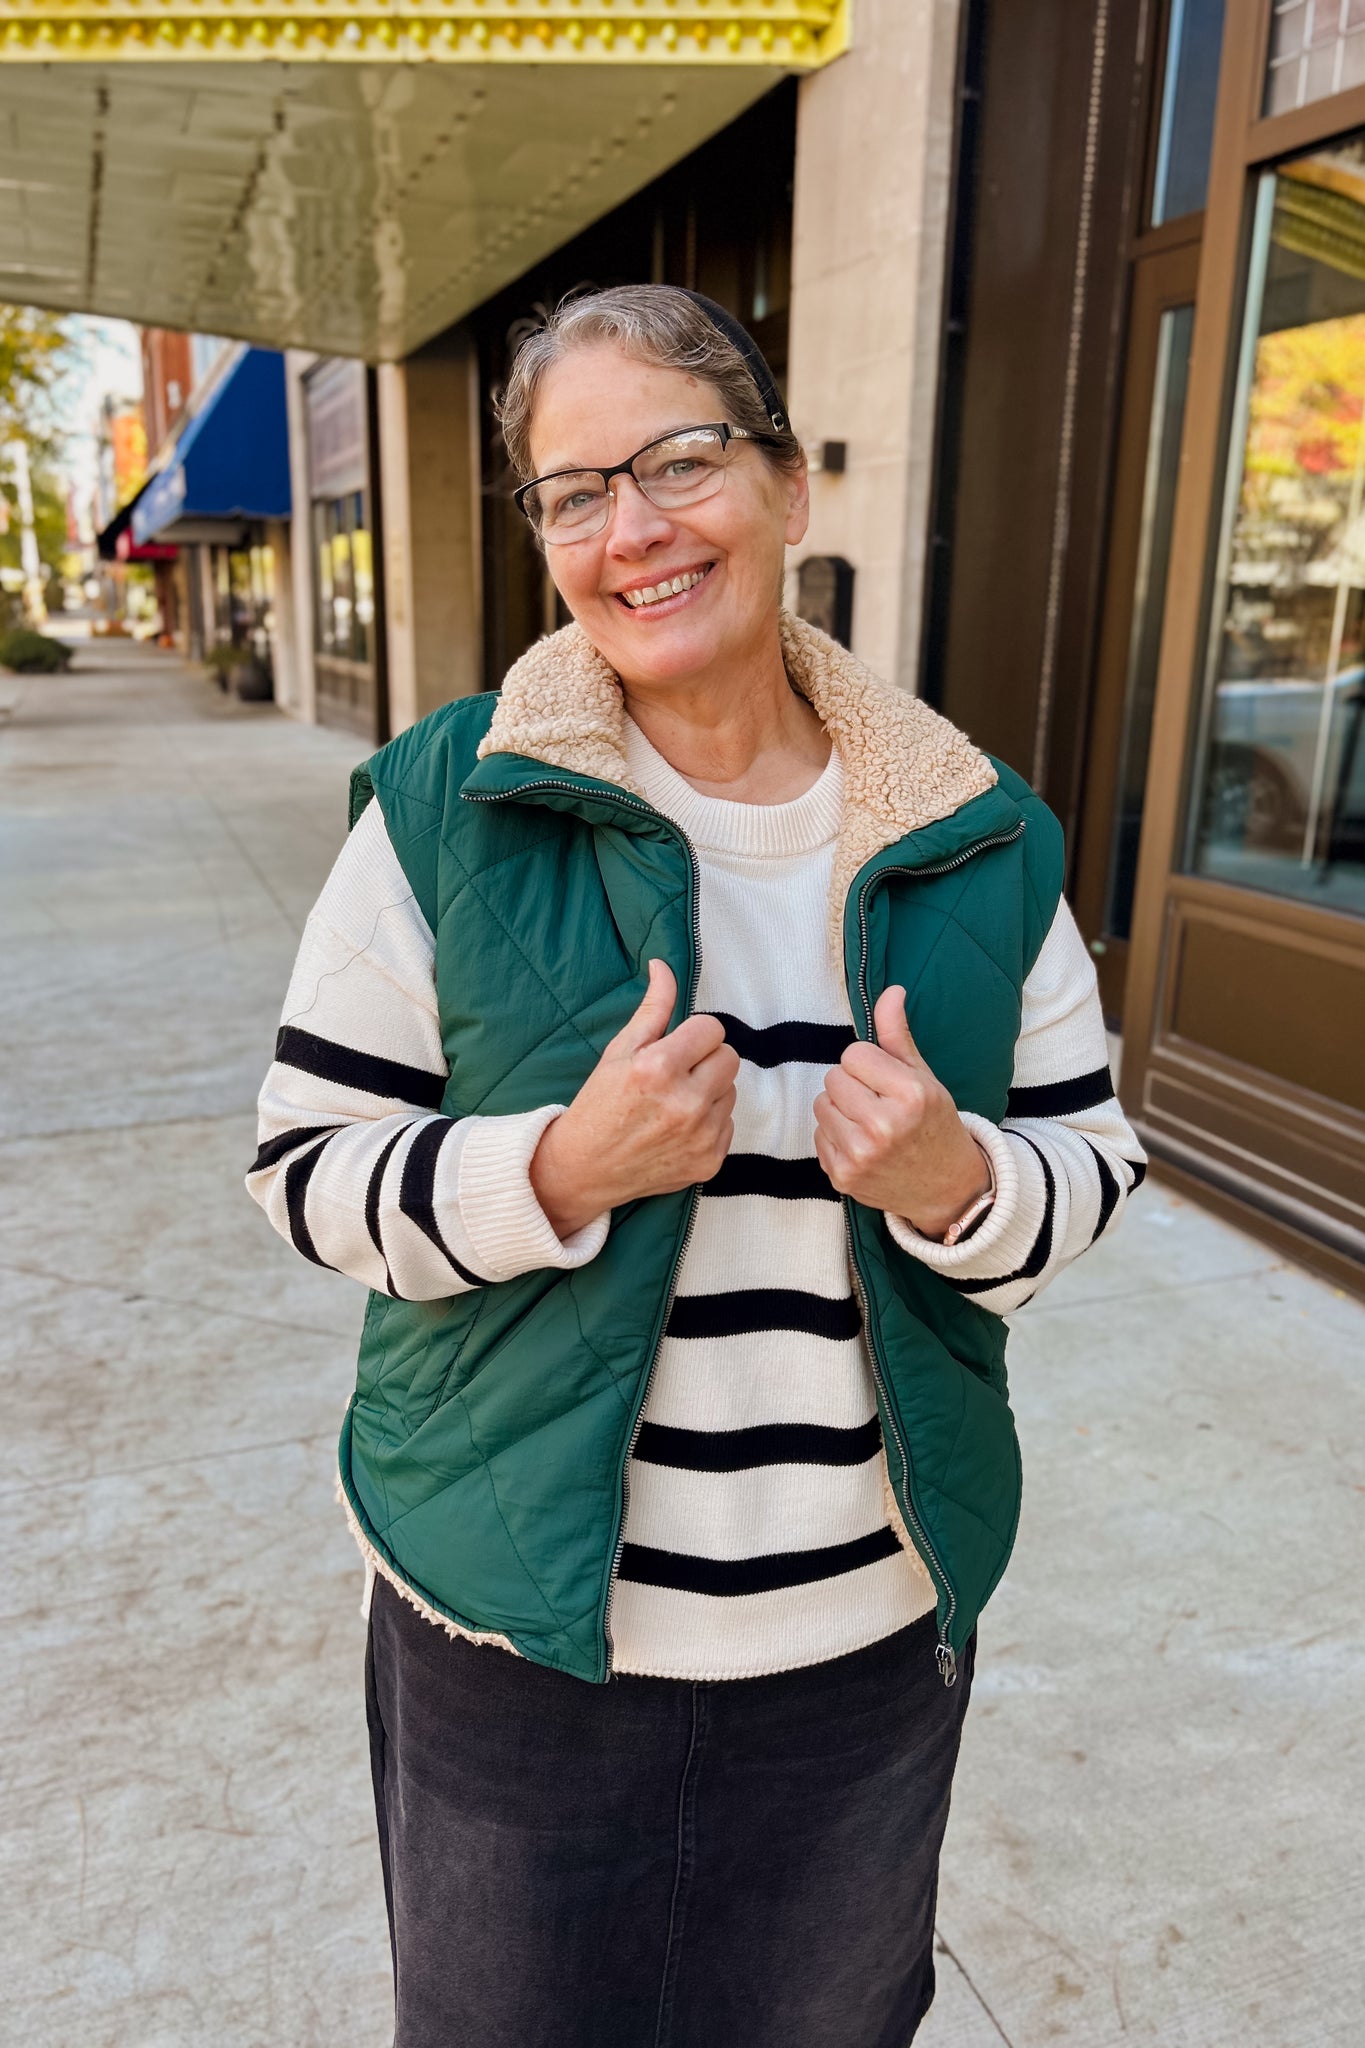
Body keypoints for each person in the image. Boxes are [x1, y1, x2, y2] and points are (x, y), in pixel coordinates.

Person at [248, 285, 1145, 2048]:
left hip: (859, 1644)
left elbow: (1090, 1161)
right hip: (516, 1638)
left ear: (789, 486)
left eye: (678, 462)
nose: (631, 530)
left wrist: (958, 1184)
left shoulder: (974, 834)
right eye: (572, 493)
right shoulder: (451, 804)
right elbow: (306, 1167)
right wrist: (561, 1170)